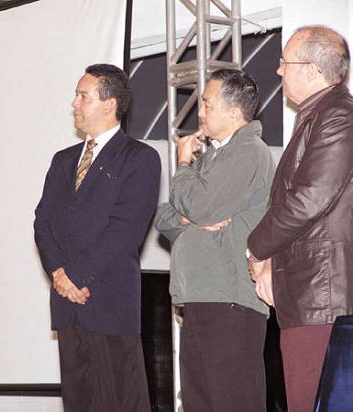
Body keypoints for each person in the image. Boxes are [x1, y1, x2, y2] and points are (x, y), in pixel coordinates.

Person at [34, 64, 161, 412]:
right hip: (67, 304)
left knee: (121, 401)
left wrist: (75, 276)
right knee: (78, 402)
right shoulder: (63, 160)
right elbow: (43, 223)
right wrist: (58, 274)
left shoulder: (139, 158)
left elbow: (126, 230)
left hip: (109, 301)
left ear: (109, 104)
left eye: (83, 96)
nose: (74, 103)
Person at [155, 69, 275, 411]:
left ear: (234, 113)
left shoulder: (249, 152)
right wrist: (187, 217)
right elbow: (163, 216)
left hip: (230, 301)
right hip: (202, 298)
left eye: (207, 104)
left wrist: (183, 163)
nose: (200, 112)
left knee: (231, 401)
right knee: (200, 402)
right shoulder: (211, 158)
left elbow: (198, 205)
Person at [247, 25, 353, 412]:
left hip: (322, 296)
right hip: (309, 294)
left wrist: (255, 248)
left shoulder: (338, 115)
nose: (278, 71)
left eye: (284, 62)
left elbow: (311, 198)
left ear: (310, 69)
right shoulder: (319, 114)